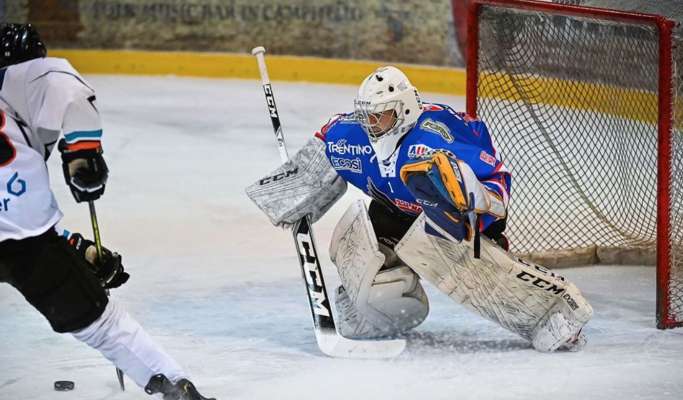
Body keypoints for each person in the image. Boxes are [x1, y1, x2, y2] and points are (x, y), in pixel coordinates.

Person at [247, 65, 592, 352]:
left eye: (379, 116)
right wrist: (291, 196)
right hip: (393, 215)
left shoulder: (437, 136)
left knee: (466, 266)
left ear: (404, 109)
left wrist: (474, 202)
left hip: (450, 221)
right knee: (369, 271)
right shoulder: (348, 137)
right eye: (365, 116)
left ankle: (553, 312)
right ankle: (376, 317)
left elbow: (496, 186)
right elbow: (310, 173)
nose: (370, 125)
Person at [0, 24, 214, 399]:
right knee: (103, 325)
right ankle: (175, 387)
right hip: (23, 233)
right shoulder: (21, 75)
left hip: (22, 230)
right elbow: (63, 88)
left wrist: (78, 251)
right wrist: (83, 155)